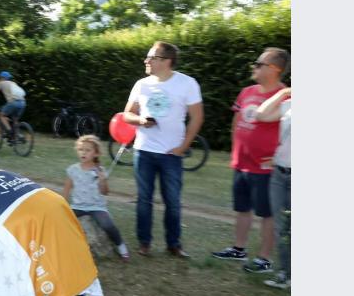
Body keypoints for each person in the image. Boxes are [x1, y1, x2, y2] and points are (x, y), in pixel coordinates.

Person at [211, 48, 290, 274]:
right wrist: (236, 151)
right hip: (242, 163)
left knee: (266, 214)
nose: (254, 67)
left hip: (265, 168)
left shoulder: (286, 96)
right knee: (242, 208)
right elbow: (237, 123)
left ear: (275, 69)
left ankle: (264, 258)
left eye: (259, 64)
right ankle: (239, 249)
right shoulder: (246, 92)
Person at [123, 41, 203, 258]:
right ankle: (144, 243)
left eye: (151, 57)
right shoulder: (142, 84)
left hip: (171, 154)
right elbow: (126, 114)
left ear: (166, 61)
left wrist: (183, 147)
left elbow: (197, 117)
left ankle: (173, 244)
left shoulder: (187, 83)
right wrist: (140, 120)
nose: (146, 60)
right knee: (143, 200)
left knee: (173, 202)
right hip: (144, 151)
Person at [62, 135, 130, 261]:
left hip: (96, 207)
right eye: (81, 150)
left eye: (88, 150)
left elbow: (105, 192)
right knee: (63, 222)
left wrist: (102, 180)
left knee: (108, 225)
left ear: (95, 153)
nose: (84, 153)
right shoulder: (73, 170)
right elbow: (67, 188)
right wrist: (63, 205)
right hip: (78, 206)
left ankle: (121, 245)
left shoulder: (99, 170)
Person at [255, 86, 291, 289]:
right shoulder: (288, 105)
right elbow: (261, 114)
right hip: (279, 173)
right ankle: (285, 274)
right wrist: (282, 93)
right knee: (281, 227)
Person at [0, 71, 26, 138]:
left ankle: (10, 132)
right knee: (15, 119)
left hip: (13, 102)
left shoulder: (1, 83)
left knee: (1, 115)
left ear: (2, 78)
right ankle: (17, 135)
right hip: (22, 103)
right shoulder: (13, 83)